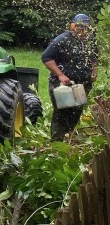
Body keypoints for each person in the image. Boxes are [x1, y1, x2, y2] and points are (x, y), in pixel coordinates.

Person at [41, 13, 98, 142]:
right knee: (62, 112)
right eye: (80, 27)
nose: (82, 30)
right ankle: (57, 143)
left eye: (85, 28)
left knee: (76, 111)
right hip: (63, 84)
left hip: (81, 84)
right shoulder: (62, 39)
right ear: (73, 26)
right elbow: (46, 58)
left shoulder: (90, 41)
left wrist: (94, 71)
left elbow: (94, 57)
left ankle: (69, 137)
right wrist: (60, 75)